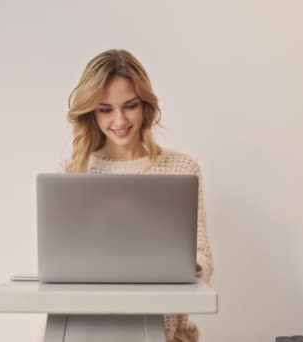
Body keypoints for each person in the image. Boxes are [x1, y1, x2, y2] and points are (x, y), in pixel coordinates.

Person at [64, 49, 214, 342]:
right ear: (91, 113)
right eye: (105, 109)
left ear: (145, 105)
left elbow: (202, 256)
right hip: (89, 330)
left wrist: (186, 264)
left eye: (129, 106)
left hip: (164, 333)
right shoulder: (75, 174)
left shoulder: (181, 168)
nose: (119, 120)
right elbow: (62, 261)